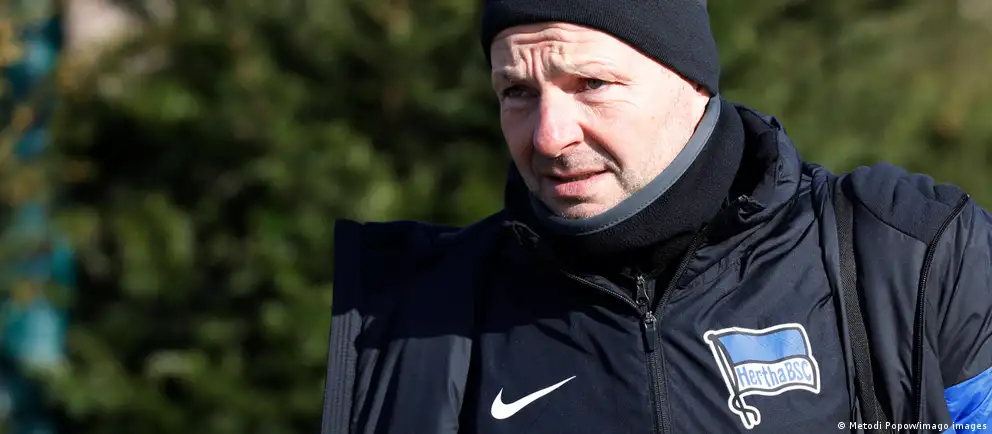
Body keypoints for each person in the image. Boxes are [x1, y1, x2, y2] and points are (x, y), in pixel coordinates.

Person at [321, 1, 992, 433]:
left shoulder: (906, 255)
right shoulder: (413, 315)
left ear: (691, 80)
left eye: (592, 84)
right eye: (518, 92)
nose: (549, 136)